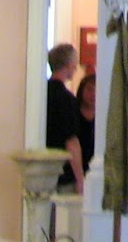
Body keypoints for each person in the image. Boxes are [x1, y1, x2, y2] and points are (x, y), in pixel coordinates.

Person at [46, 42, 85, 193]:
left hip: (43, 169)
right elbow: (72, 141)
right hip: (62, 171)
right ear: (69, 65)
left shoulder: (40, 94)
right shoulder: (67, 99)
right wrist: (80, 178)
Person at [77, 72, 97, 182]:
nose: (93, 94)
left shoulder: (103, 117)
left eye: (96, 90)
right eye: (89, 89)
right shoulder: (73, 113)